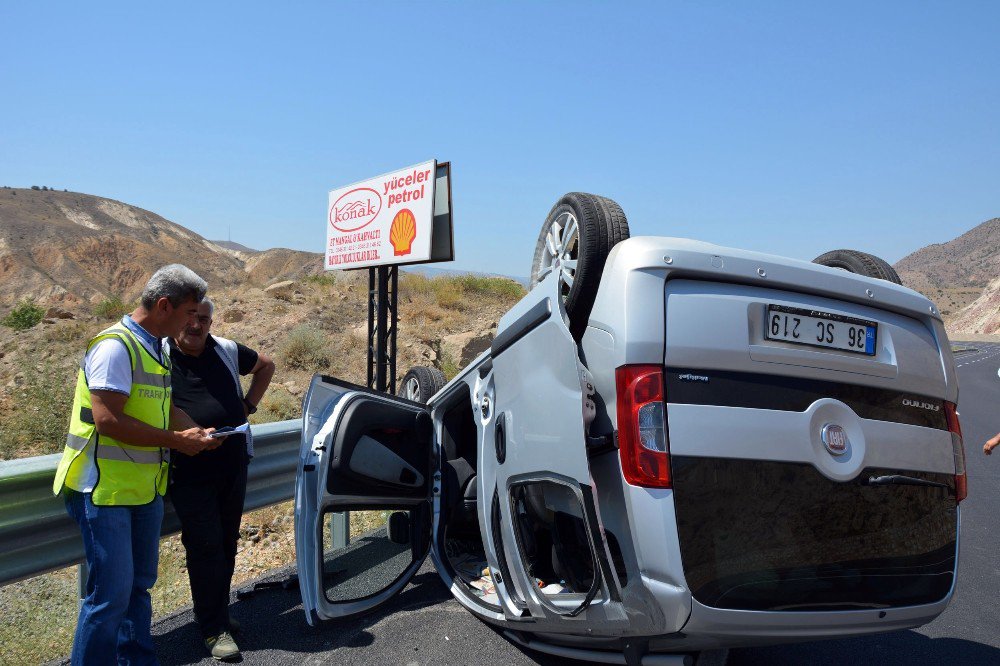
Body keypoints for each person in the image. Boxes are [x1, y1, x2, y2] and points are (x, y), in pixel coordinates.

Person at [53, 264, 218, 666]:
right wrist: (176, 442)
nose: (192, 322)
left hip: (142, 489)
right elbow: (108, 419)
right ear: (164, 306)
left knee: (138, 589)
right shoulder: (115, 346)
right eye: (188, 313)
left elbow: (165, 407)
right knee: (108, 598)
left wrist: (197, 432)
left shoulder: (157, 347)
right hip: (103, 491)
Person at [166, 297, 274, 660]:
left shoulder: (226, 349)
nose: (196, 325)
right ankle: (212, 628)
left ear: (211, 322)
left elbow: (267, 366)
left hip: (232, 463)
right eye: (190, 316)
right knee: (205, 544)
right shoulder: (157, 354)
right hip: (187, 469)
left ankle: (219, 613)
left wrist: (248, 406)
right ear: (178, 316)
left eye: (204, 319)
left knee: (227, 542)